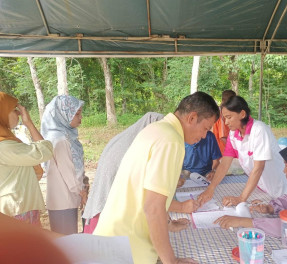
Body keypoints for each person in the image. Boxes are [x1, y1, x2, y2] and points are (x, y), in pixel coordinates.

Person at [93, 92, 220, 264]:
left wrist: (167, 223)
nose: (205, 136)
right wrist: (172, 261)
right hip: (129, 249)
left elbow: (147, 191)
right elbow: (153, 207)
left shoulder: (156, 129)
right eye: (205, 128)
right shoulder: (172, 141)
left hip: (113, 239)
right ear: (192, 117)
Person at [83, 112, 199, 234]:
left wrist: (168, 222)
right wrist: (181, 208)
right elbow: (149, 199)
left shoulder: (128, 141)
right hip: (106, 220)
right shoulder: (131, 151)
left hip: (105, 216)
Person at [198, 96, 287, 207]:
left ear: (242, 114)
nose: (226, 122)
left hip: (282, 188)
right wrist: (211, 188)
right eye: (224, 118)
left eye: (229, 117)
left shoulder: (259, 130)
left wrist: (241, 198)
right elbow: (224, 164)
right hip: (263, 188)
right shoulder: (233, 134)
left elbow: (258, 168)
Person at [0, 92, 53, 225]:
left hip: (15, 207)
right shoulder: (5, 147)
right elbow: (45, 150)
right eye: (14, 110)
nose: (18, 113)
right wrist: (28, 123)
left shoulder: (7, 142)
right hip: (17, 209)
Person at [41, 95, 88, 235]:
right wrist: (82, 191)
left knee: (65, 241)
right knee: (66, 242)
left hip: (64, 199)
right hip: (63, 200)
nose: (80, 118)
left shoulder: (63, 136)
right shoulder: (60, 140)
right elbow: (69, 172)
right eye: (77, 114)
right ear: (64, 114)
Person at [212, 90, 236, 154]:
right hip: (223, 151)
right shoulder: (221, 114)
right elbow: (223, 137)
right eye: (231, 101)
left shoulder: (224, 112)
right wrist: (234, 151)